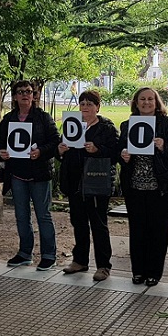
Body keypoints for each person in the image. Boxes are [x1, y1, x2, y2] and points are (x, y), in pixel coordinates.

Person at [118, 87, 168, 286]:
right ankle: (138, 271)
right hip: (134, 186)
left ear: (156, 103)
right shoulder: (127, 125)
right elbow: (118, 150)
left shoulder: (166, 124)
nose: (146, 102)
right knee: (137, 230)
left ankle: (154, 272)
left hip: (160, 186)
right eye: (142, 99)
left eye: (150, 99)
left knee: (158, 231)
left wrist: (164, 146)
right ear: (136, 103)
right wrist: (123, 155)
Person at [0, 80, 61, 270]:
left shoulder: (43, 118)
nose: (25, 94)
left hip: (39, 174)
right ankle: (25, 253)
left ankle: (49, 255)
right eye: (20, 92)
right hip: (17, 174)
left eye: (28, 91)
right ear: (15, 96)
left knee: (43, 215)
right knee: (21, 216)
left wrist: (40, 151)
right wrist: (2, 152)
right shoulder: (8, 119)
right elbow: (1, 143)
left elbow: (55, 142)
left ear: (34, 95)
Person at [57, 89, 120, 281]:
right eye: (82, 103)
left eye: (89, 104)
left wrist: (97, 149)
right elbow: (62, 152)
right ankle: (80, 260)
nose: (85, 107)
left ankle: (103, 265)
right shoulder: (71, 125)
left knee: (99, 224)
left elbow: (116, 152)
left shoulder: (106, 127)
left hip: (96, 182)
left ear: (97, 107)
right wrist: (60, 150)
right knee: (79, 223)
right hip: (75, 182)